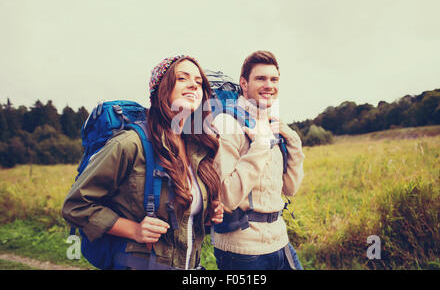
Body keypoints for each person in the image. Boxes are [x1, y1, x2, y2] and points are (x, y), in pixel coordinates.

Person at [62, 55, 224, 270]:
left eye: (199, 81)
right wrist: (133, 229)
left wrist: (207, 211)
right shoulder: (130, 144)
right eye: (182, 78)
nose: (194, 84)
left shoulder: (198, 148)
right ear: (162, 88)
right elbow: (76, 206)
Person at [212, 50, 305, 270]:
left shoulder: (274, 126)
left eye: (274, 79)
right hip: (243, 252)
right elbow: (226, 197)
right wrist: (260, 147)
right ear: (243, 83)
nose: (269, 85)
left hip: (280, 240)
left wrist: (292, 138)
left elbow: (290, 188)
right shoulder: (227, 123)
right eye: (260, 78)